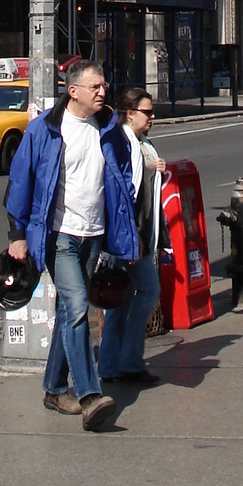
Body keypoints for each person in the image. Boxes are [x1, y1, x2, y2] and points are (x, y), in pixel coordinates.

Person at [4, 58, 138, 432]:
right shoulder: (44, 130)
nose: (102, 92)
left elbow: (121, 179)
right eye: (95, 86)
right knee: (78, 306)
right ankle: (90, 395)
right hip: (59, 235)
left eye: (104, 85)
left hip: (93, 235)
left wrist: (122, 229)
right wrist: (17, 235)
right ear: (72, 90)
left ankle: (53, 388)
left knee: (68, 310)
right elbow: (20, 182)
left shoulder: (109, 128)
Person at [99, 87, 168, 385]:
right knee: (146, 291)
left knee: (121, 298)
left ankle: (113, 365)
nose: (152, 116)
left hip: (139, 233)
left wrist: (158, 167)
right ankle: (125, 362)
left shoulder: (142, 143)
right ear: (130, 114)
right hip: (128, 235)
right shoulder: (125, 145)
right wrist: (130, 235)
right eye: (147, 111)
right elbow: (125, 194)